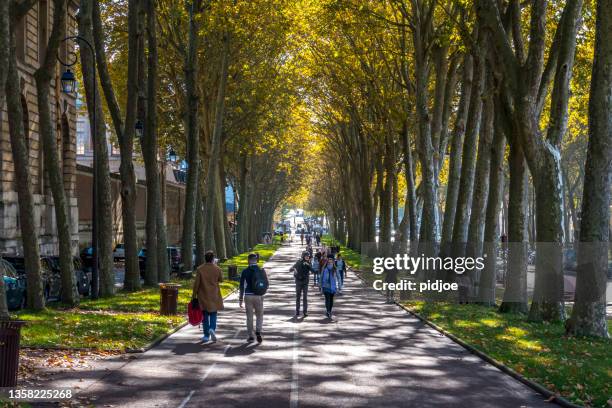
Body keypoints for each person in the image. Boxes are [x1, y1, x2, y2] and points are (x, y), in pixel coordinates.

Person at [192, 251, 224, 342]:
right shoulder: (217, 268)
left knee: (204, 316)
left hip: (203, 295)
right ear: (213, 259)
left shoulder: (200, 269)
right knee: (213, 314)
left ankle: (206, 335)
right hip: (214, 295)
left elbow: (196, 284)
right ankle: (212, 329)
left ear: (205, 258)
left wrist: (194, 295)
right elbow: (221, 280)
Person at [239, 253, 268, 343]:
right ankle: (258, 331)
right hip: (258, 296)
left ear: (248, 260)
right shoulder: (261, 270)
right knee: (259, 315)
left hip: (248, 295)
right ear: (256, 260)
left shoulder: (245, 271)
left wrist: (240, 299)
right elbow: (266, 284)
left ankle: (251, 336)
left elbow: (241, 286)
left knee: (249, 317)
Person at [290, 251, 312, 317]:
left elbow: (312, 270)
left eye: (308, 256)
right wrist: (294, 269)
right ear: (303, 256)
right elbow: (290, 269)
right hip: (298, 282)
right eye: (306, 256)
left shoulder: (309, 263)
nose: (308, 257)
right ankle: (297, 311)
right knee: (298, 297)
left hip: (305, 283)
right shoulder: (298, 262)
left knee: (305, 297)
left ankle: (305, 311)